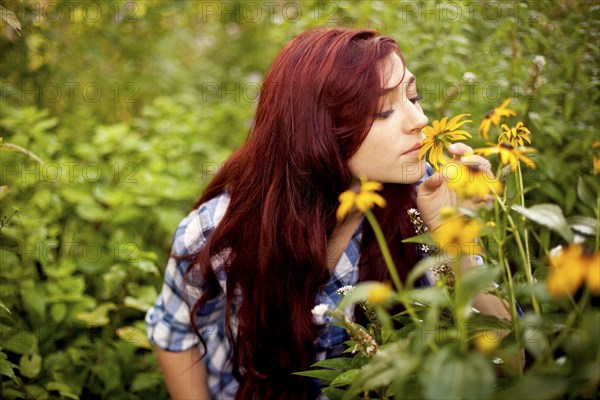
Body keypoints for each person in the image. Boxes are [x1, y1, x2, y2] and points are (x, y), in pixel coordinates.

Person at [145, 27, 513, 400]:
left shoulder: (427, 199)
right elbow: (175, 333)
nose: (419, 120)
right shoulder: (217, 232)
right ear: (317, 132)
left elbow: (513, 364)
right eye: (383, 110)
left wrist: (457, 240)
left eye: (413, 96)